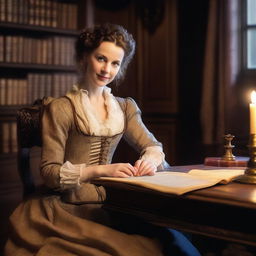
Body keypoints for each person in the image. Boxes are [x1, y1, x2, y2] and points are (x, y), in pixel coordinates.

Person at [5, 23, 200, 256]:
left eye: (115, 63)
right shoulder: (61, 108)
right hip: (66, 208)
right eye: (101, 58)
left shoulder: (124, 107)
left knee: (173, 242)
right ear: (85, 56)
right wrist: (101, 171)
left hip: (114, 203)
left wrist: (149, 160)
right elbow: (49, 173)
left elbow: (153, 146)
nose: (106, 69)